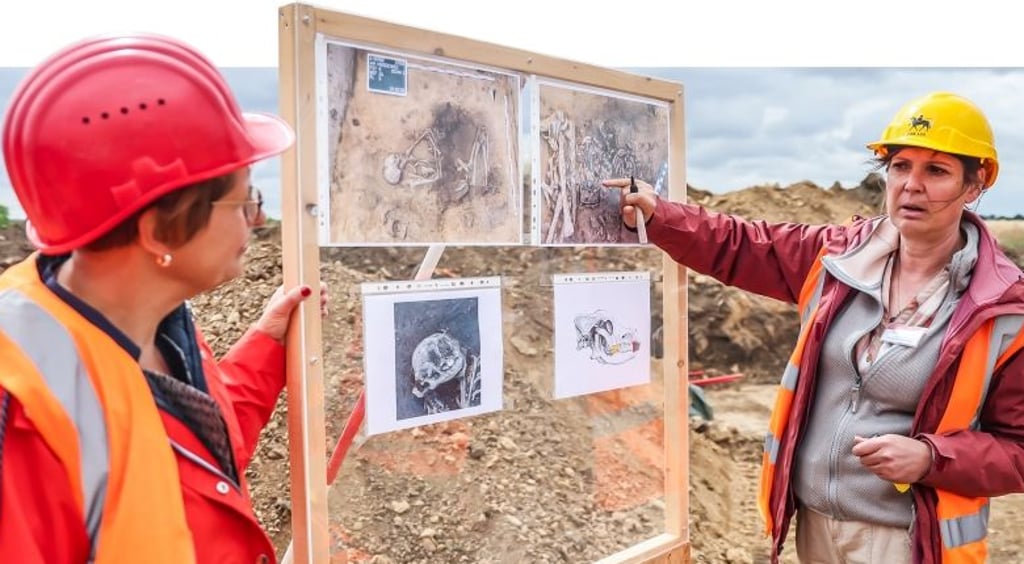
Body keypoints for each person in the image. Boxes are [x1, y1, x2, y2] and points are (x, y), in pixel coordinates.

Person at [606, 91, 1024, 563]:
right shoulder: (840, 257)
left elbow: (1018, 449)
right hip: (816, 528)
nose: (911, 185)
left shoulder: (1003, 308)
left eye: (937, 171)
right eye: (900, 166)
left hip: (907, 540)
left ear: (975, 185)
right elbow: (743, 246)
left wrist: (930, 458)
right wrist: (660, 215)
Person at [0, 33, 325, 563]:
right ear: (158, 232)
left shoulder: (156, 321)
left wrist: (268, 346)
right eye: (244, 198)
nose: (258, 217)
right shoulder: (22, 420)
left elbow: (194, 462)